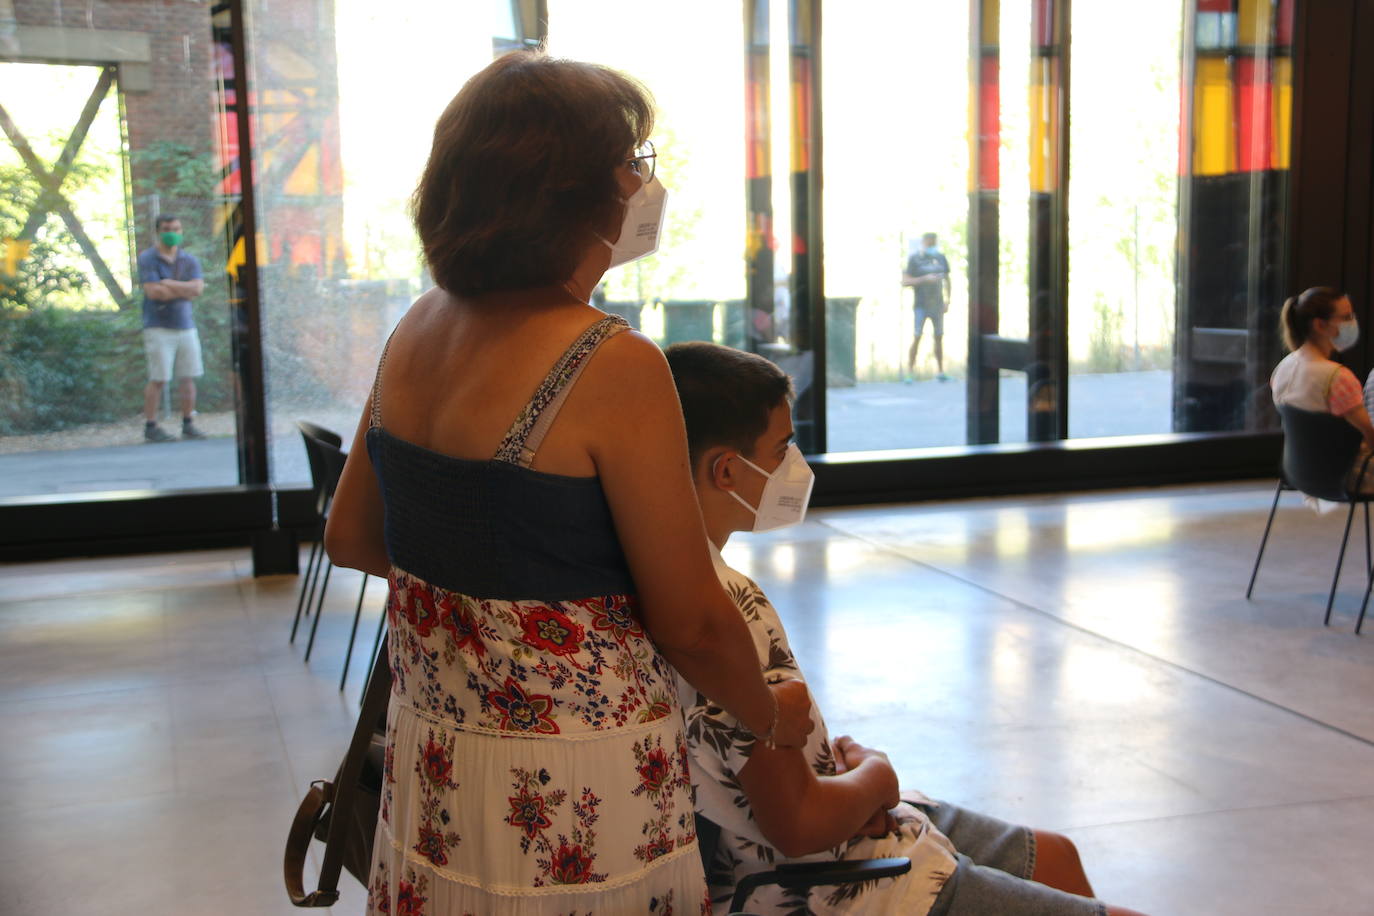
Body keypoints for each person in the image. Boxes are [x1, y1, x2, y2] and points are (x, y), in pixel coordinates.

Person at [323, 51, 812, 915]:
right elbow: (694, 622)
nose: (642, 183)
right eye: (633, 162)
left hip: (437, 758)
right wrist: (771, 719)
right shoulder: (608, 362)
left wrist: (482, 614)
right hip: (575, 788)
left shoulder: (415, 330)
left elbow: (352, 536)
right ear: (573, 190)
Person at [664, 340, 1148, 916]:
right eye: (782, 447)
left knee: (1056, 856)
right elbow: (798, 823)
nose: (794, 464)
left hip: (832, 820)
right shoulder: (727, 608)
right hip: (821, 875)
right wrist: (877, 774)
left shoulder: (671, 576)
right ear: (726, 470)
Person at [1271, 286, 1374, 493]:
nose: (1352, 322)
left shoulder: (1283, 367)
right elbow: (1370, 436)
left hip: (1299, 472)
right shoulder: (1337, 377)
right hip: (1345, 476)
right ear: (1320, 324)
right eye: (1346, 317)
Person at [138, 215, 206, 442]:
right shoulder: (148, 258)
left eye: (176, 228)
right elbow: (153, 292)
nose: (172, 232)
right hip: (158, 326)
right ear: (158, 231)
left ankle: (188, 424)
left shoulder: (189, 260)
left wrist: (168, 283)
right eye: (167, 229)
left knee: (188, 376)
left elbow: (197, 289)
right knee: (159, 378)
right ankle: (151, 426)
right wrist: (183, 289)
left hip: (186, 325)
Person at [902, 232, 951, 382]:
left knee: (939, 337)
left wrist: (948, 300)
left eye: (934, 243)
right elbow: (905, 281)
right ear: (923, 242)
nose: (932, 246)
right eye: (929, 243)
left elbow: (948, 279)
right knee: (917, 336)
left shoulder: (941, 258)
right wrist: (925, 279)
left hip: (937, 305)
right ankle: (909, 373)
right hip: (921, 305)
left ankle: (941, 372)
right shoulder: (915, 259)